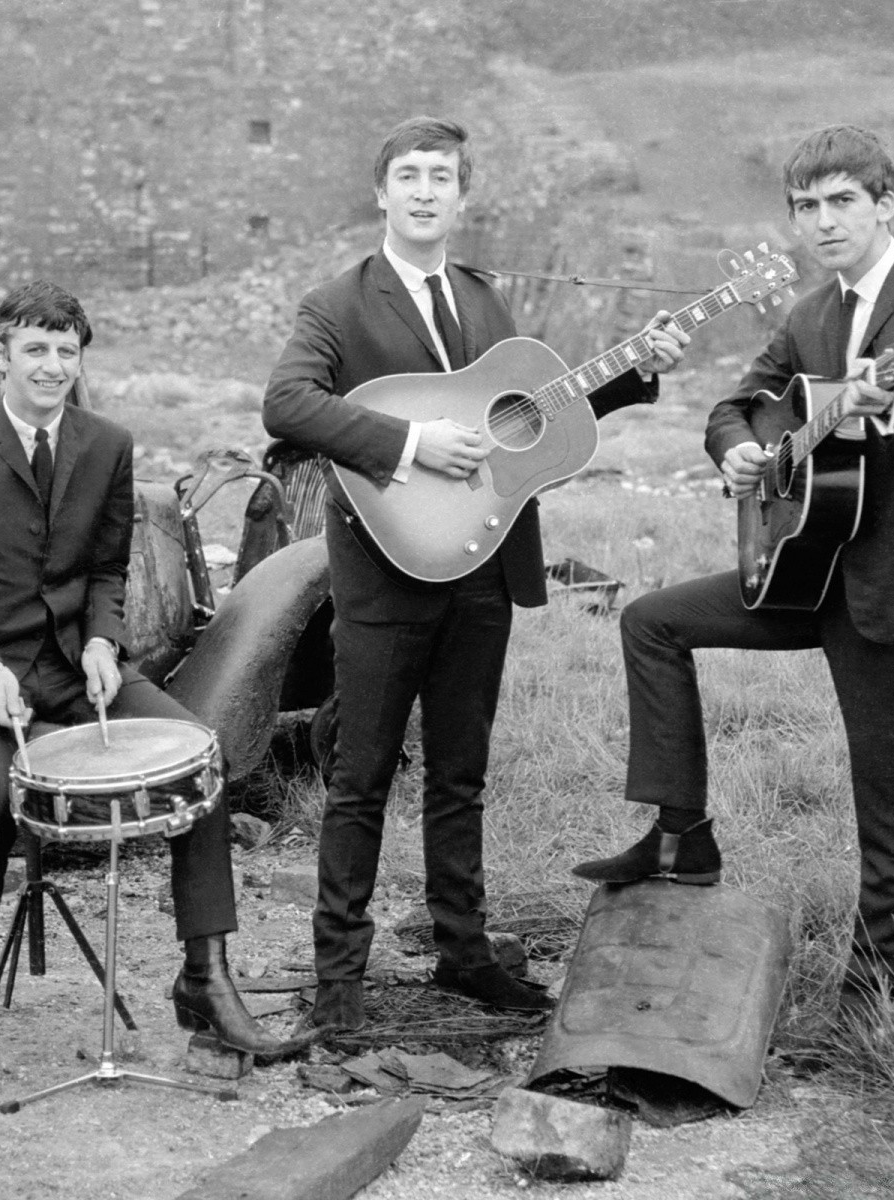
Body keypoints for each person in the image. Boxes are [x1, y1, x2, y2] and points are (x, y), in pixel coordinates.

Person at [262, 116, 686, 1032]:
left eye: (441, 177)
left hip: (484, 569)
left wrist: (634, 370)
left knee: (462, 775)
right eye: (408, 175)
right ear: (382, 194)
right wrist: (411, 441)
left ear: (462, 196)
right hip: (382, 574)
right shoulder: (337, 304)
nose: (424, 190)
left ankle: (464, 952)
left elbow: (532, 415)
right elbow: (287, 403)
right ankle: (340, 982)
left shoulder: (486, 305)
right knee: (360, 778)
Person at [573, 125, 894, 1023]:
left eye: (843, 201)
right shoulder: (809, 313)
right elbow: (734, 407)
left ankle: (870, 1005)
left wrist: (887, 404)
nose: (824, 220)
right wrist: (747, 454)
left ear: (885, 205)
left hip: (888, 589)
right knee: (652, 621)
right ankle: (682, 837)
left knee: (884, 798)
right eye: (807, 205)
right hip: (799, 571)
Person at [0, 281, 292, 1102]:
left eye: (65, 352)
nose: (50, 366)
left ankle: (205, 978)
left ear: (81, 362)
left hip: (78, 667)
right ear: (1, 356)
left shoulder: (108, 444)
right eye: (33, 350)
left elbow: (106, 568)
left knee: (199, 760)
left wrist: (106, 640)